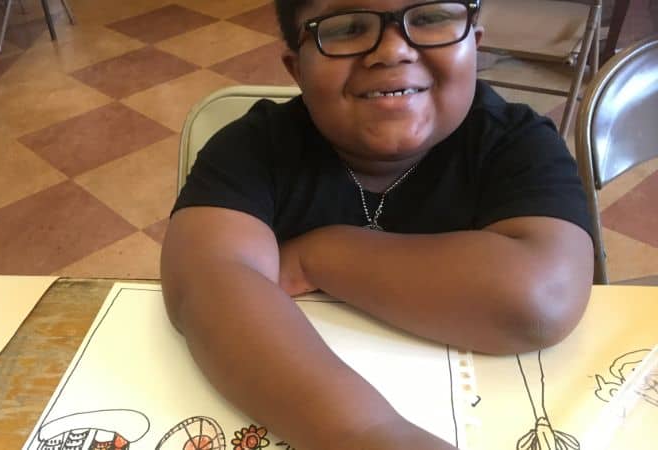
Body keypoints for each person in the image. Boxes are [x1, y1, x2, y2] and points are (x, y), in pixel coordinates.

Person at [161, 0, 594, 449]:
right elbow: (205, 288)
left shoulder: (517, 143)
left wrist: (318, 255)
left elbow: (539, 300)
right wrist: (372, 435)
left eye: (428, 19)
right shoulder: (251, 148)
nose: (392, 51)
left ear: (475, 44)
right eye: (347, 27)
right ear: (297, 70)